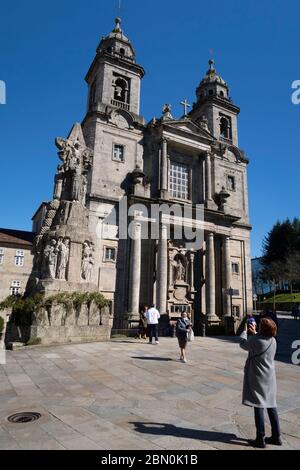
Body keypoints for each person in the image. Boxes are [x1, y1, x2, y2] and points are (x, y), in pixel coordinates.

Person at [240, 317, 282, 448]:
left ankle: (260, 437)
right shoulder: (273, 340)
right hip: (270, 377)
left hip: (259, 377)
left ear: (263, 328)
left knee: (258, 405)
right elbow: (258, 341)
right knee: (271, 405)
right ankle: (276, 436)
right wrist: (255, 334)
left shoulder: (257, 340)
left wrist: (245, 332)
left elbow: (243, 344)